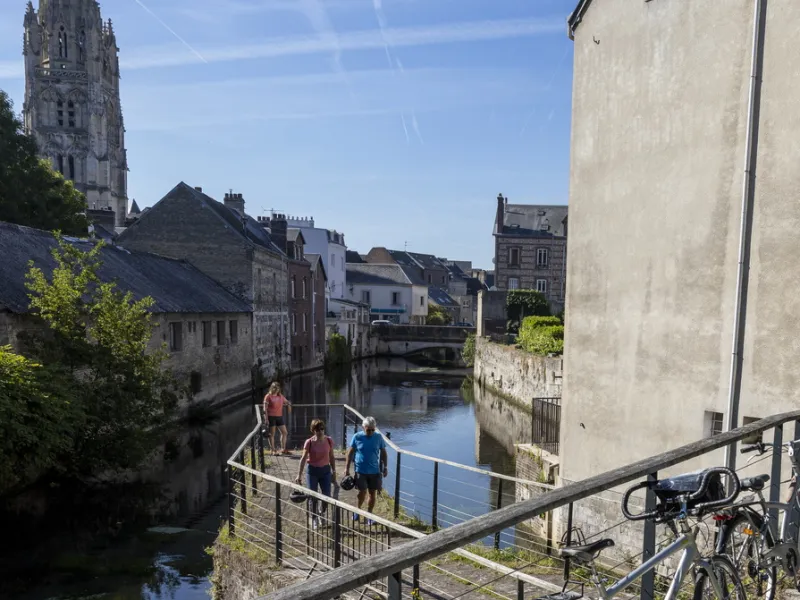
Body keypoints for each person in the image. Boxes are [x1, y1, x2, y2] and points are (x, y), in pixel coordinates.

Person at [345, 416, 388, 525]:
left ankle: (369, 515)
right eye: (369, 430)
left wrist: (385, 467)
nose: (371, 432)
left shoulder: (378, 437)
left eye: (373, 429)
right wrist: (347, 468)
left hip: (374, 471)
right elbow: (350, 453)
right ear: (363, 427)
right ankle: (357, 510)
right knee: (361, 492)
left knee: (372, 493)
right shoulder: (357, 437)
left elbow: (383, 452)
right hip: (361, 470)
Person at [295, 419, 337, 529]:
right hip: (312, 471)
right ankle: (313, 518)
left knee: (326, 496)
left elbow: (331, 457)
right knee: (312, 496)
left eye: (322, 429)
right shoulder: (309, 442)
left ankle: (321, 513)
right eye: (318, 429)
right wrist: (299, 475)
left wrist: (334, 471)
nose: (320, 431)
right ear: (313, 430)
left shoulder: (329, 441)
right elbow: (303, 459)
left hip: (325, 471)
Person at [263, 382, 292, 455]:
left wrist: (288, 404)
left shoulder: (280, 396)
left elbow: (287, 402)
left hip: (279, 417)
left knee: (284, 432)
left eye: (278, 388)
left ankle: (283, 449)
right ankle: (273, 450)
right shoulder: (268, 396)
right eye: (275, 388)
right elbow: (264, 409)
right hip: (271, 417)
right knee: (272, 434)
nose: (277, 389)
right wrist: (266, 419)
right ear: (272, 388)